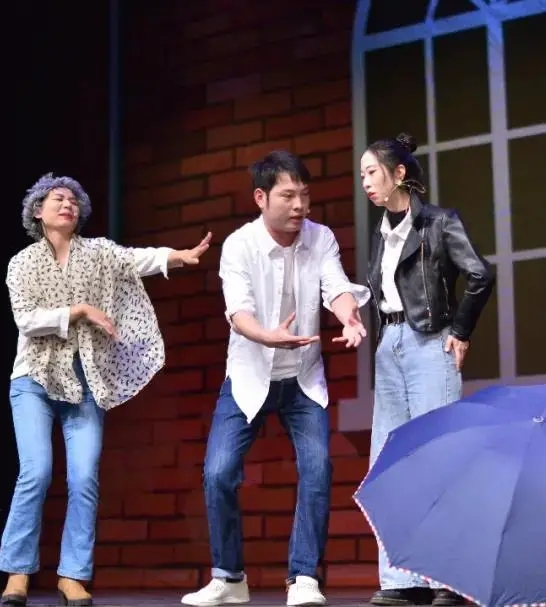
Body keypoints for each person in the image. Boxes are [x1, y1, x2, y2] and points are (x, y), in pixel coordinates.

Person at [0, 173, 213, 607]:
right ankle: (17, 572)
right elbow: (26, 320)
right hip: (34, 379)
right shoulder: (22, 263)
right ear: (38, 211)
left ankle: (72, 575)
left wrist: (177, 256)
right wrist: (78, 310)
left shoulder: (97, 253)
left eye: (73, 200)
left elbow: (135, 259)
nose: (68, 204)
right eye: (58, 199)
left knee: (84, 477)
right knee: (36, 472)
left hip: (84, 381)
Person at [181, 151, 370, 607]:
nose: (299, 205)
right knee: (218, 472)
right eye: (288, 195)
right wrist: (269, 337)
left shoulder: (320, 237)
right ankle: (229, 578)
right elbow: (238, 311)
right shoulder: (238, 245)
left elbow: (336, 286)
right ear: (261, 198)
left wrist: (349, 317)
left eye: (304, 195)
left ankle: (303, 578)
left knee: (318, 467)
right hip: (248, 377)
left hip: (303, 379)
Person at [360, 133, 495, 607]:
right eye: (362, 175)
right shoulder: (381, 232)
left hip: (429, 343)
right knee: (391, 462)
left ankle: (448, 578)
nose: (365, 183)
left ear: (399, 174)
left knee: (440, 459)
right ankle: (402, 580)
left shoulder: (439, 222)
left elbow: (480, 273)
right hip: (390, 347)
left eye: (372, 172)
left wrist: (461, 330)